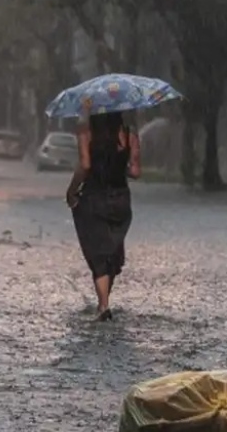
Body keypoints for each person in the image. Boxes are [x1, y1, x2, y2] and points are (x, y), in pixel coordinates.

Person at [65, 100, 141, 321]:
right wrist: (118, 165)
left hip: (94, 198)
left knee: (97, 252)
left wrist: (71, 191)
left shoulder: (86, 133)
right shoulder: (129, 135)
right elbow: (135, 171)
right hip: (120, 200)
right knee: (111, 252)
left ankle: (103, 306)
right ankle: (105, 301)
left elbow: (85, 166)